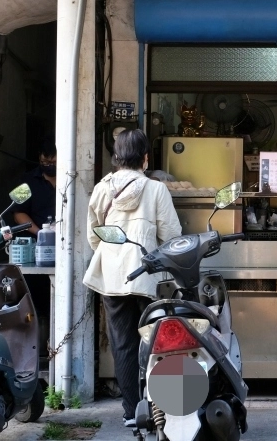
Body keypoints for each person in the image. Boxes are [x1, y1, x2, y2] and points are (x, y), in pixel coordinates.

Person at [83, 129, 182, 427]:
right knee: (156, 343)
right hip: (147, 278)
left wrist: (114, 256)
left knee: (122, 344)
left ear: (116, 157)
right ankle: (159, 408)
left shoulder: (103, 188)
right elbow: (172, 236)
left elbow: (94, 235)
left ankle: (131, 412)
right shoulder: (156, 189)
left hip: (113, 278)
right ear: (145, 158)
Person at [12, 143, 58, 236]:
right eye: (45, 162)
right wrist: (39, 233)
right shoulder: (26, 180)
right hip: (36, 239)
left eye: (54, 162)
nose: (50, 166)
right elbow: (18, 214)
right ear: (39, 158)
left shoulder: (72, 181)